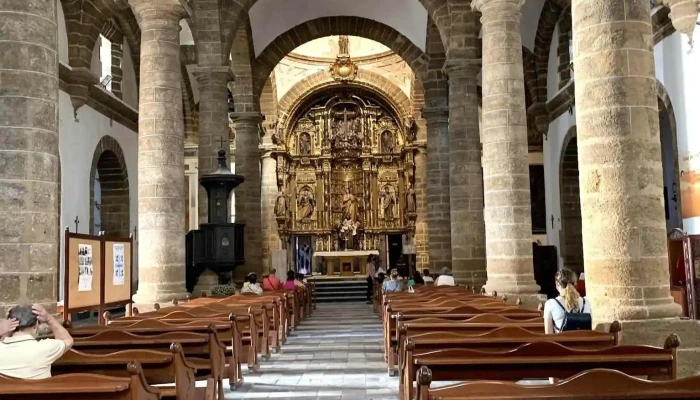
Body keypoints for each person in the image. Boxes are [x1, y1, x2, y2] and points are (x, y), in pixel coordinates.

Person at [0, 304, 74, 379]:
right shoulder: (45, 348)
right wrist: (49, 319)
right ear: (36, 326)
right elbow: (67, 340)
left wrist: (2, 331)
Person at [543, 268, 592, 334]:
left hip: (562, 343)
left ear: (557, 285)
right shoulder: (586, 302)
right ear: (575, 283)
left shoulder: (550, 304)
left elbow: (549, 335)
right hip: (584, 343)